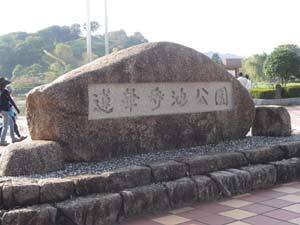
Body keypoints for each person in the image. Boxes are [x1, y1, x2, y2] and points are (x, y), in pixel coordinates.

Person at [0, 78, 22, 146]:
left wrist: (16, 108)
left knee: (11, 123)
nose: (5, 85)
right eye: (4, 84)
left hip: (4, 110)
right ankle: (2, 141)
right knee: (5, 126)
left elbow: (10, 100)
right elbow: (11, 100)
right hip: (4, 110)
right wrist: (17, 108)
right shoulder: (3, 91)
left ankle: (13, 138)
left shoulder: (3, 91)